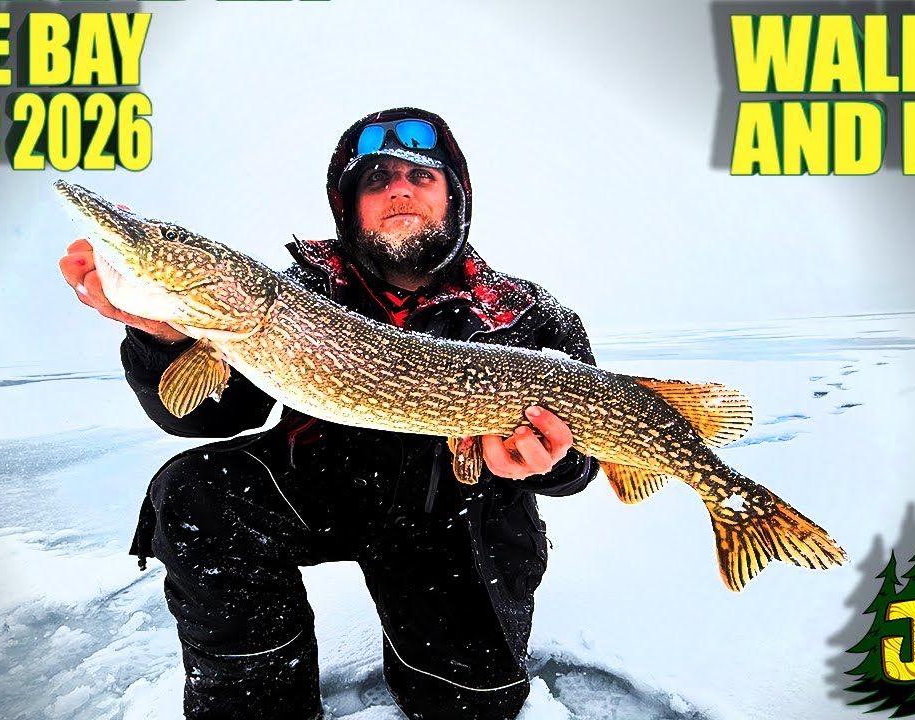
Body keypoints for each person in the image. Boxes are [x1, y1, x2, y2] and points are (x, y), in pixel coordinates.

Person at [58, 107, 599, 720]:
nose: (399, 188)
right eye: (377, 179)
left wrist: (541, 463)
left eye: (421, 177)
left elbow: (586, 461)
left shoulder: (528, 314)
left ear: (455, 197)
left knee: (466, 706)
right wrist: (162, 335)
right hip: (327, 485)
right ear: (348, 205)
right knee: (194, 492)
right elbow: (209, 413)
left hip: (458, 515)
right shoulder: (297, 294)